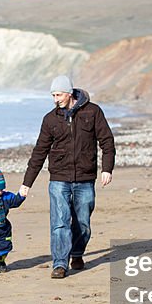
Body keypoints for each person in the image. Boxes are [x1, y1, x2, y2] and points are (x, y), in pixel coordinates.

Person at [20, 75, 115, 279]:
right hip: (59, 179)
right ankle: (60, 263)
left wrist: (107, 169)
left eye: (59, 94)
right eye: (53, 95)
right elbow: (39, 152)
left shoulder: (93, 111)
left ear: (69, 93)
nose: (56, 99)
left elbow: (107, 141)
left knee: (83, 223)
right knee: (60, 222)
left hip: (85, 177)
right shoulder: (50, 119)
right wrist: (27, 183)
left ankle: (77, 253)